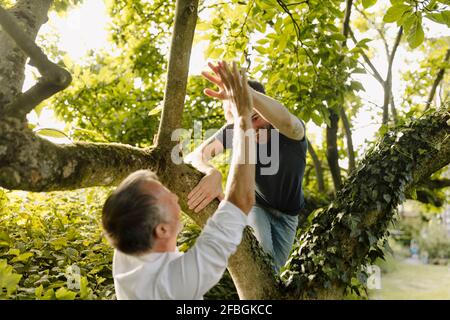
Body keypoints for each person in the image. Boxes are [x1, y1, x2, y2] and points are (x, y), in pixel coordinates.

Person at [101, 61, 256, 300]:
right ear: (161, 229)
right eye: (168, 197)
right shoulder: (173, 287)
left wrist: (208, 171)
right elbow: (241, 199)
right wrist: (244, 117)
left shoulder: (128, 240)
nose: (174, 195)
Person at [185, 61, 307, 273]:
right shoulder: (235, 130)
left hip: (289, 215)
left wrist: (246, 92)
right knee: (263, 263)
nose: (249, 127)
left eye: (255, 118)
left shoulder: (289, 133)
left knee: (273, 273)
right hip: (258, 207)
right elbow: (196, 155)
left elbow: (289, 123)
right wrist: (211, 172)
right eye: (240, 119)